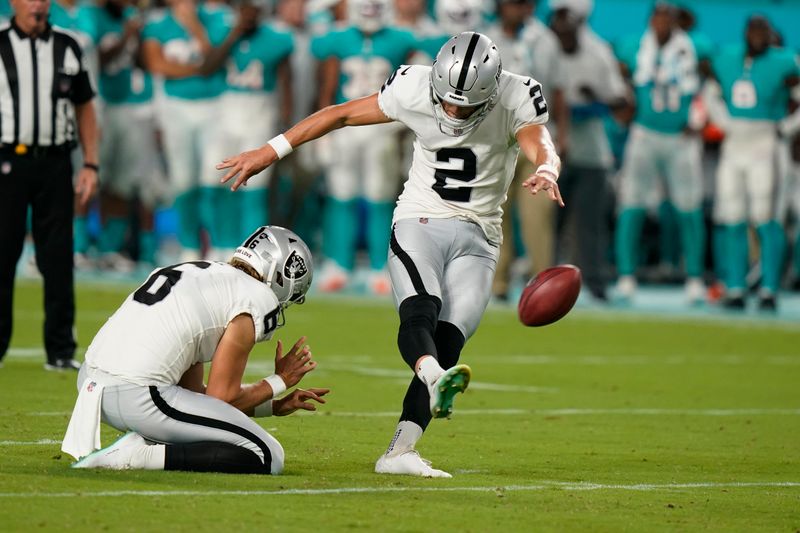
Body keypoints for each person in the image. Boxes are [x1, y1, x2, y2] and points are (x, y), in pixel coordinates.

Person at [218, 31, 563, 477]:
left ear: (493, 91)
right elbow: (341, 114)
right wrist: (272, 149)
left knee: (450, 344)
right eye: (448, 101)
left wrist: (548, 167)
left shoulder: (518, 93)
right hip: (420, 220)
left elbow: (539, 140)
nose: (454, 112)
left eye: (466, 105)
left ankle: (400, 452)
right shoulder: (413, 86)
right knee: (420, 315)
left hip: (481, 235)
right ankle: (431, 378)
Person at [61, 226, 328, 474]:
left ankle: (145, 444)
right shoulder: (256, 297)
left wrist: (271, 406)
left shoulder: (200, 273)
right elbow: (220, 397)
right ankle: (137, 455)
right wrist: (279, 381)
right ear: (281, 277)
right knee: (268, 455)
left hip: (90, 387)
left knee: (202, 422)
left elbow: (194, 397)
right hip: (138, 394)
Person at [0, 0, 99, 371]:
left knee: (57, 257)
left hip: (56, 161)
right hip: (7, 159)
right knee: (2, 252)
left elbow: (85, 106)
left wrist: (90, 163)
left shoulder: (68, 45)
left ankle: (59, 350)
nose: (38, 5)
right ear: (13, 3)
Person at [310, 0, 417, 295]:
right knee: (340, 194)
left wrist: (405, 126)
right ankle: (339, 263)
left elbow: (415, 81)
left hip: (383, 127)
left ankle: (378, 266)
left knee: (379, 197)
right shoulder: (338, 37)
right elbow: (327, 86)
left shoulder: (403, 38)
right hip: (344, 128)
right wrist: (325, 134)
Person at [613, 2, 706, 304]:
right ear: (651, 18)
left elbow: (716, 79)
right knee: (631, 203)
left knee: (689, 208)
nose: (663, 21)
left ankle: (694, 276)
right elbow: (616, 75)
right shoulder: (632, 46)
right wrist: (623, 101)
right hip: (644, 133)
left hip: (681, 137)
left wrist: (702, 117)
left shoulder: (697, 46)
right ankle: (626, 275)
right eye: (658, 14)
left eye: (669, 15)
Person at [705, 15, 799, 310]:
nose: (758, 36)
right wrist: (723, 122)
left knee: (765, 216)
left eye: (763, 31)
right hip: (734, 144)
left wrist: (788, 126)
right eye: (754, 30)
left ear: (770, 35)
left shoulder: (786, 61)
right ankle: (736, 285)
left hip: (766, 142)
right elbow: (710, 92)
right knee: (733, 216)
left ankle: (769, 288)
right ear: (746, 32)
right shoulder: (727, 57)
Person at [549, 1, 629, 301]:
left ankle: (595, 285)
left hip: (591, 151)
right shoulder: (541, 48)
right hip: (551, 148)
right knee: (548, 224)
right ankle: (544, 286)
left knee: (589, 224)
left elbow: (622, 103)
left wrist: (595, 100)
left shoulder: (598, 52)